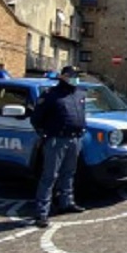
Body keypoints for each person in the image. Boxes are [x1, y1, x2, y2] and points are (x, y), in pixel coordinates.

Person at [30, 65, 87, 228]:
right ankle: (42, 213)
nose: (76, 79)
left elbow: (81, 113)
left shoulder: (80, 93)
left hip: (75, 138)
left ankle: (66, 202)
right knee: (49, 176)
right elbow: (36, 118)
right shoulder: (51, 95)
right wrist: (45, 134)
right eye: (73, 76)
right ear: (63, 77)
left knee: (69, 173)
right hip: (56, 140)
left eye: (77, 76)